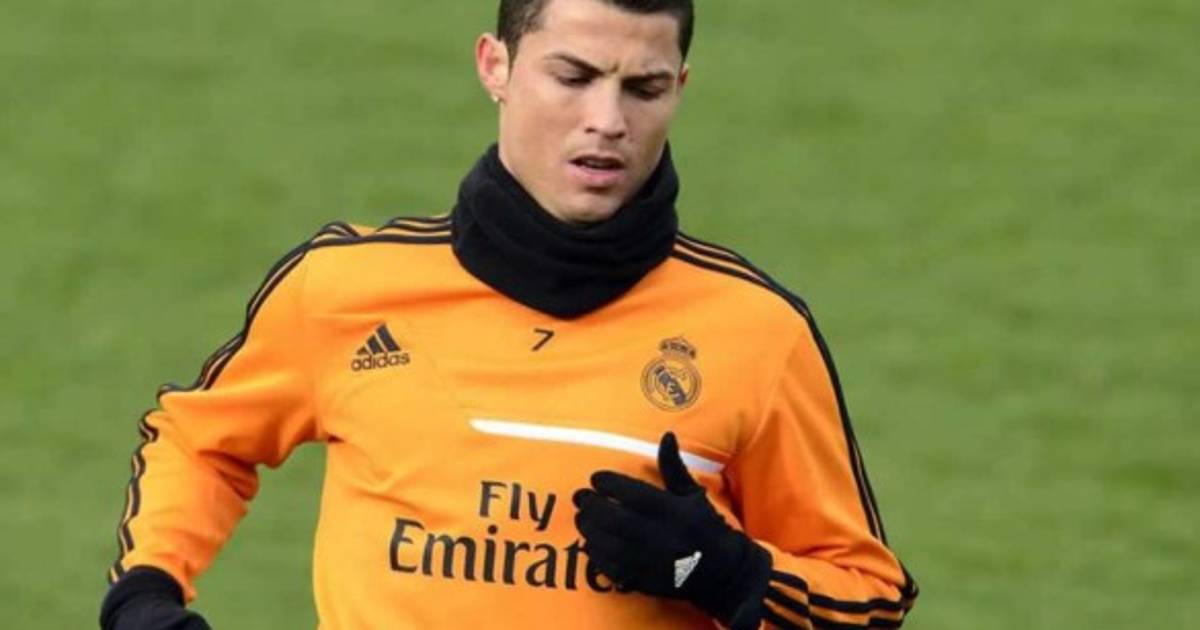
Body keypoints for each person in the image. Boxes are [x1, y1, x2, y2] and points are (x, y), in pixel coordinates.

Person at [100, 0, 918, 628]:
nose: (608, 122)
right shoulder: (343, 289)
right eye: (573, 77)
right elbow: (201, 440)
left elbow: (870, 599)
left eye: (643, 88)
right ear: (495, 65)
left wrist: (727, 573)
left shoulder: (758, 332)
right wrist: (146, 591)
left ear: (679, 89)